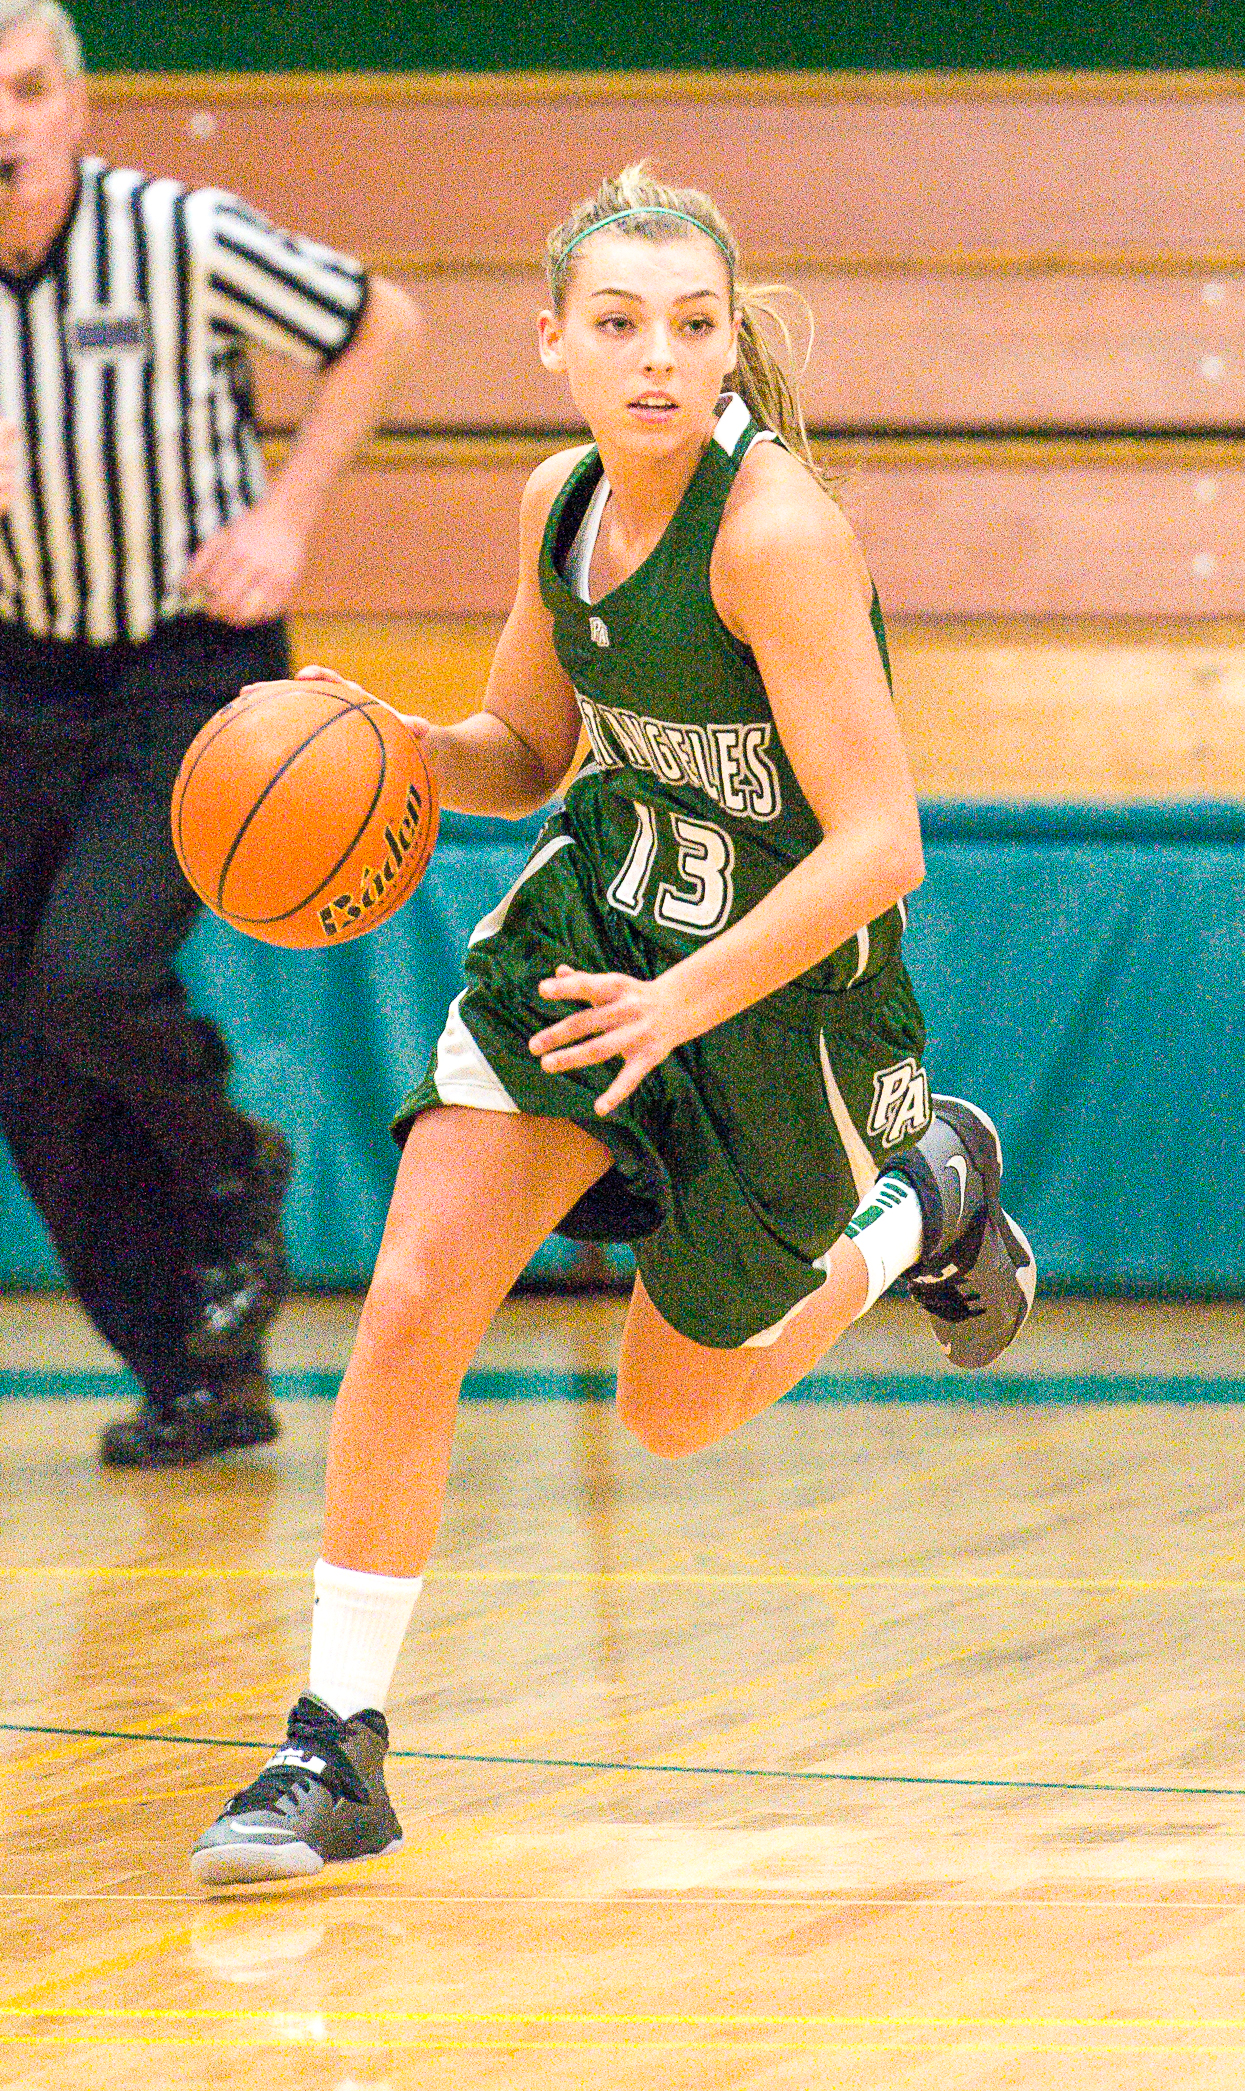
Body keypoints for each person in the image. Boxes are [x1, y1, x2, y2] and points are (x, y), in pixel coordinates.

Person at [190, 164, 1036, 1884]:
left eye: (692, 326)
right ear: (555, 342)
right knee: (412, 1301)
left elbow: (881, 845)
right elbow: (523, 752)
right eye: (622, 324)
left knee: (672, 1410)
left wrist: (689, 999)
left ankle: (925, 1199)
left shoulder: (774, 535)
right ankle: (333, 1745)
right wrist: (402, 748)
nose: (658, 356)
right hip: (594, 949)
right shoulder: (558, 502)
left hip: (777, 1004)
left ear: (726, 346)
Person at [0, 1, 423, 1466]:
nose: (2, 123)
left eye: (28, 89)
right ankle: (195, 1371)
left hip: (188, 663)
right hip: (22, 669)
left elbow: (379, 322)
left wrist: (287, 515)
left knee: (87, 973)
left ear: (76, 104)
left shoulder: (177, 234)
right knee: (26, 1051)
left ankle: (234, 1163)